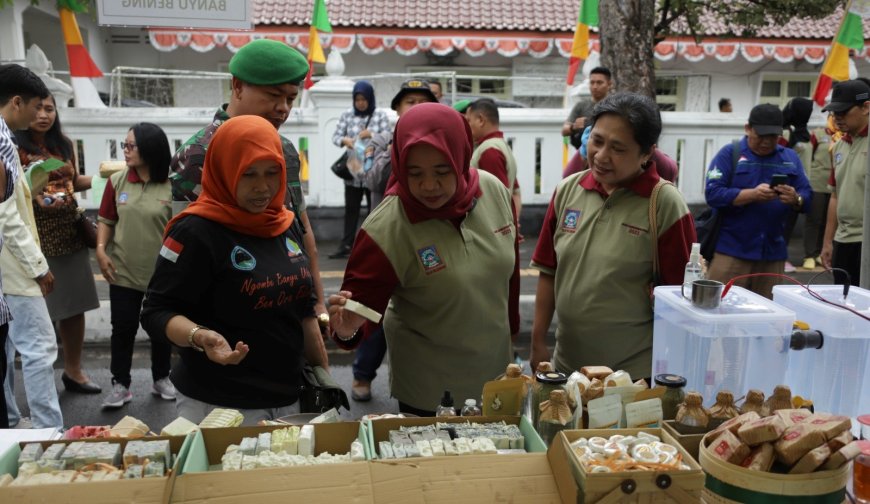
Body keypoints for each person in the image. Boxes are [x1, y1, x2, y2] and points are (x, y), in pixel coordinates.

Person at [328, 103, 519, 416]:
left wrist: (514, 333)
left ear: (460, 158)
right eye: (415, 174)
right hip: (429, 393)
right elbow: (352, 322)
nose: (429, 186)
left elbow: (509, 273)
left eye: (442, 172)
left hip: (495, 379)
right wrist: (346, 329)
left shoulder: (493, 190)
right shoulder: (386, 227)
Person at [141, 116, 328, 425]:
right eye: (249, 174)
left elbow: (303, 311)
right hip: (220, 406)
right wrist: (200, 336)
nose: (263, 187)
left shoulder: (284, 222)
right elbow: (156, 312)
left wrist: (325, 379)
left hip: (290, 398)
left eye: (272, 173)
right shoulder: (195, 232)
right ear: (225, 171)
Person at [530, 92, 695, 378]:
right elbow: (548, 270)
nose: (601, 156)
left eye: (618, 149)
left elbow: (681, 298)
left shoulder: (665, 204)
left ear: (647, 153)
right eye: (597, 140)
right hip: (568, 368)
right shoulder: (568, 190)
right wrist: (537, 341)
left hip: (631, 375)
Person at [170, 39, 328, 322]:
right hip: (226, 320)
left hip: (289, 309)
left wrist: (317, 306)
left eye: (290, 99)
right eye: (273, 96)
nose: (283, 108)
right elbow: (186, 252)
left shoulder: (285, 149)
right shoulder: (196, 156)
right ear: (238, 86)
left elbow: (303, 231)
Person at [350, 79, 438, 402]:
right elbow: (366, 176)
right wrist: (395, 151)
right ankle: (362, 373)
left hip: (430, 239)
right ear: (397, 109)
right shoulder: (379, 141)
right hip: (387, 239)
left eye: (422, 101)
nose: (415, 107)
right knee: (376, 309)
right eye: (409, 102)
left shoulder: (442, 142)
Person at [14, 94, 101, 398]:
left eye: (49, 108)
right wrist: (35, 195)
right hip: (34, 234)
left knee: (74, 307)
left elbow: (73, 181)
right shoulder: (14, 146)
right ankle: (39, 381)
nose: (43, 115)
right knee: (39, 309)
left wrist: (108, 176)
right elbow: (16, 191)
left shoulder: (63, 143)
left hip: (69, 230)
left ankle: (73, 371)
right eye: (36, 107)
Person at [96, 123, 175, 408]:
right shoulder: (117, 181)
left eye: (131, 146)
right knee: (123, 328)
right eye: (124, 145)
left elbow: (182, 229)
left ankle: (161, 378)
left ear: (150, 149)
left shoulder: (172, 184)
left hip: (162, 275)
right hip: (123, 271)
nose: (125, 151)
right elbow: (106, 220)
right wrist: (102, 250)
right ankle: (120, 385)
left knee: (161, 328)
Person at [705, 103, 812, 298]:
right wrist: (751, 194)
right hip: (733, 251)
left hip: (773, 254)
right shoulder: (730, 154)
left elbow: (808, 197)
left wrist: (795, 198)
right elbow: (713, 194)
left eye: (773, 136)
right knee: (719, 310)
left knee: (768, 318)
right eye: (761, 135)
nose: (766, 141)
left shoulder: (789, 158)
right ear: (748, 129)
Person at [0, 64, 51, 429]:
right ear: (16, 102)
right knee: (39, 349)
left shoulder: (6, 138)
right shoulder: (2, 142)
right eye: (36, 106)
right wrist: (38, 265)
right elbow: (6, 215)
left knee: (6, 352)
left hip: (8, 267)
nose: (40, 114)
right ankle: (51, 431)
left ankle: (11, 423)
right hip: (14, 266)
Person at [328, 80, 391, 259]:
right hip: (353, 171)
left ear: (370, 98)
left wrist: (371, 134)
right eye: (358, 99)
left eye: (364, 99)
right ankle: (346, 245)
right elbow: (335, 136)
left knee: (374, 209)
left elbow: (388, 138)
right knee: (351, 210)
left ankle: (374, 245)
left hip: (373, 171)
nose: (361, 103)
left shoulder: (379, 115)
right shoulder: (348, 115)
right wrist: (344, 140)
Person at [821, 80, 870, 285]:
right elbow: (835, 194)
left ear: (866, 107)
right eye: (834, 112)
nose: (837, 118)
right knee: (845, 305)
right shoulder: (839, 146)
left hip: (866, 242)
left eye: (843, 111)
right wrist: (827, 242)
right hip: (843, 241)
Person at [465, 98, 522, 217]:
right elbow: (515, 191)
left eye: (469, 121)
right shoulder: (501, 145)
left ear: (480, 120)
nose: (467, 126)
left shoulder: (489, 151)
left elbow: (498, 198)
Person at [781, 97, 817, 270]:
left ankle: (782, 256)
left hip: (802, 187)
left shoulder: (805, 132)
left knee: (790, 223)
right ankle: (780, 258)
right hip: (788, 185)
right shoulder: (787, 132)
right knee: (783, 224)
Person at [803, 116, 838, 270]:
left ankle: (819, 252)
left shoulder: (842, 136)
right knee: (814, 219)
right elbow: (808, 156)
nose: (837, 119)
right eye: (834, 116)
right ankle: (809, 255)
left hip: (834, 184)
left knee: (827, 221)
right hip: (817, 182)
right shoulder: (818, 134)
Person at [561, 66, 612, 150]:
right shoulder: (581, 106)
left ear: (609, 84)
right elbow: (564, 131)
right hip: (584, 154)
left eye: (599, 83)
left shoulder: (615, 105)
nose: (595, 86)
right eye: (592, 83)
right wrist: (574, 127)